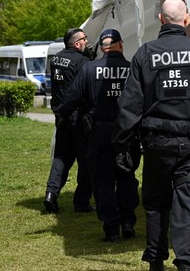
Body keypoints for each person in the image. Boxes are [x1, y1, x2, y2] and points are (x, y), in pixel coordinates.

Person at [113, 0, 190, 271]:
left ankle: (156, 258)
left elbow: (129, 104)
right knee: (186, 199)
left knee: (156, 201)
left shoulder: (145, 54)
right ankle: (186, 261)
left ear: (160, 19)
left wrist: (122, 145)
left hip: (156, 141)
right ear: (187, 19)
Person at [58, 29, 139, 242]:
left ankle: (111, 229)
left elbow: (69, 100)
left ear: (102, 48)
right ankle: (128, 222)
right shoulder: (133, 69)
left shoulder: (88, 69)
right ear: (121, 44)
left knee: (103, 181)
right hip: (127, 132)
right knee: (126, 177)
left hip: (99, 133)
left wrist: (70, 120)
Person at [43, 27, 94, 214]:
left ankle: (51, 194)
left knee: (61, 158)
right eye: (85, 39)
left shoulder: (56, 59)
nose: (87, 42)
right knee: (85, 160)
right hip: (78, 117)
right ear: (77, 43)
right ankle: (81, 201)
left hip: (61, 116)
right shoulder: (82, 61)